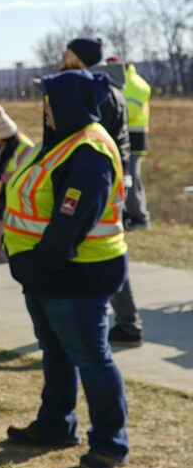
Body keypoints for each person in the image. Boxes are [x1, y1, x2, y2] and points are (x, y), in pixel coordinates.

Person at [2, 70, 130, 468]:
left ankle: (110, 443)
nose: (44, 109)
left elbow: (73, 220)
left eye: (49, 101)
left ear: (69, 104)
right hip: (48, 275)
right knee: (56, 351)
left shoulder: (90, 151)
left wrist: (42, 264)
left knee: (92, 358)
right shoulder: (64, 142)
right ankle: (56, 424)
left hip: (76, 276)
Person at [61, 38, 143, 349]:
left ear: (80, 58)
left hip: (102, 183)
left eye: (68, 54)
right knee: (106, 249)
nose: (63, 59)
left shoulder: (100, 92)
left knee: (105, 251)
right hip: (109, 180)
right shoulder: (105, 87)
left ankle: (126, 323)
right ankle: (124, 321)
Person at [0, 106, 35, 261]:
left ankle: (2, 248)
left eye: (0, 140)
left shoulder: (25, 148)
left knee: (0, 220)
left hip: (15, 193)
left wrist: (0, 178)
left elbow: (25, 174)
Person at [118, 57, 152, 230]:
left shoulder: (135, 85)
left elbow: (128, 113)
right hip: (124, 137)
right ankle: (129, 214)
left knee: (130, 177)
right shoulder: (123, 82)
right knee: (125, 178)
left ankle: (140, 216)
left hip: (134, 138)